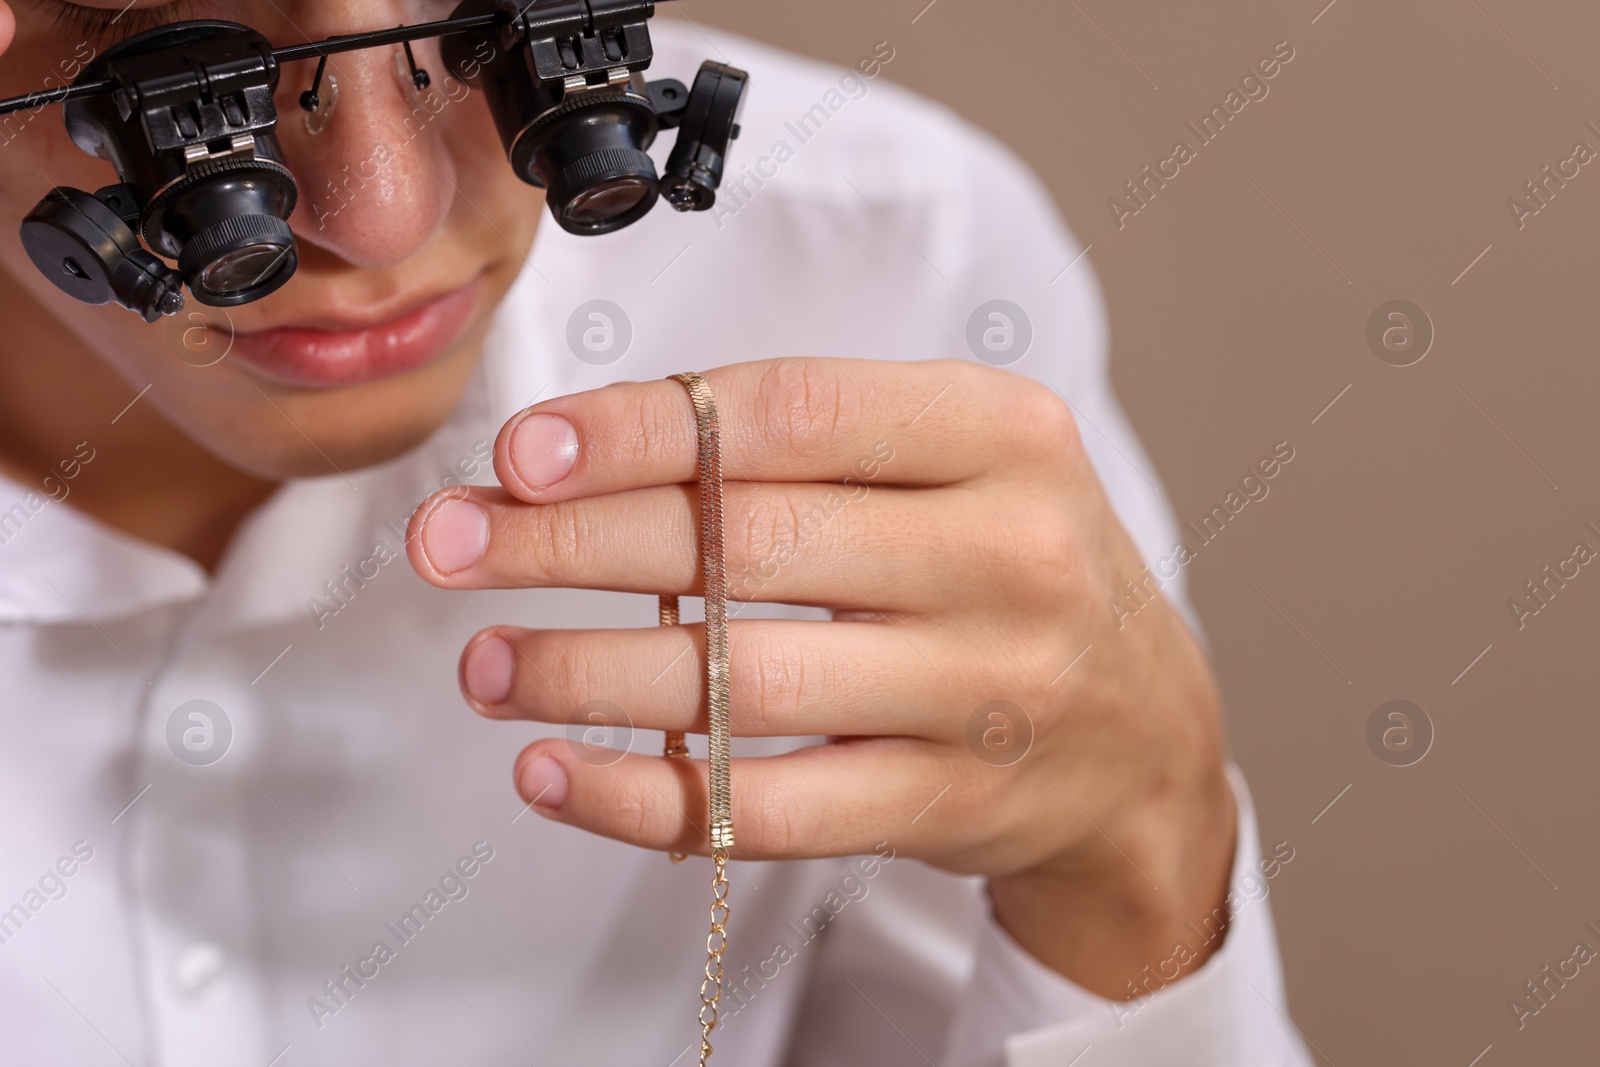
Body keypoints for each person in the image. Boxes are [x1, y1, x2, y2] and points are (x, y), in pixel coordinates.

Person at [0, 3, 1311, 1064]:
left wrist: (1139, 860)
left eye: (480, 26)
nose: (383, 216)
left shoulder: (886, 263)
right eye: (158, 60)